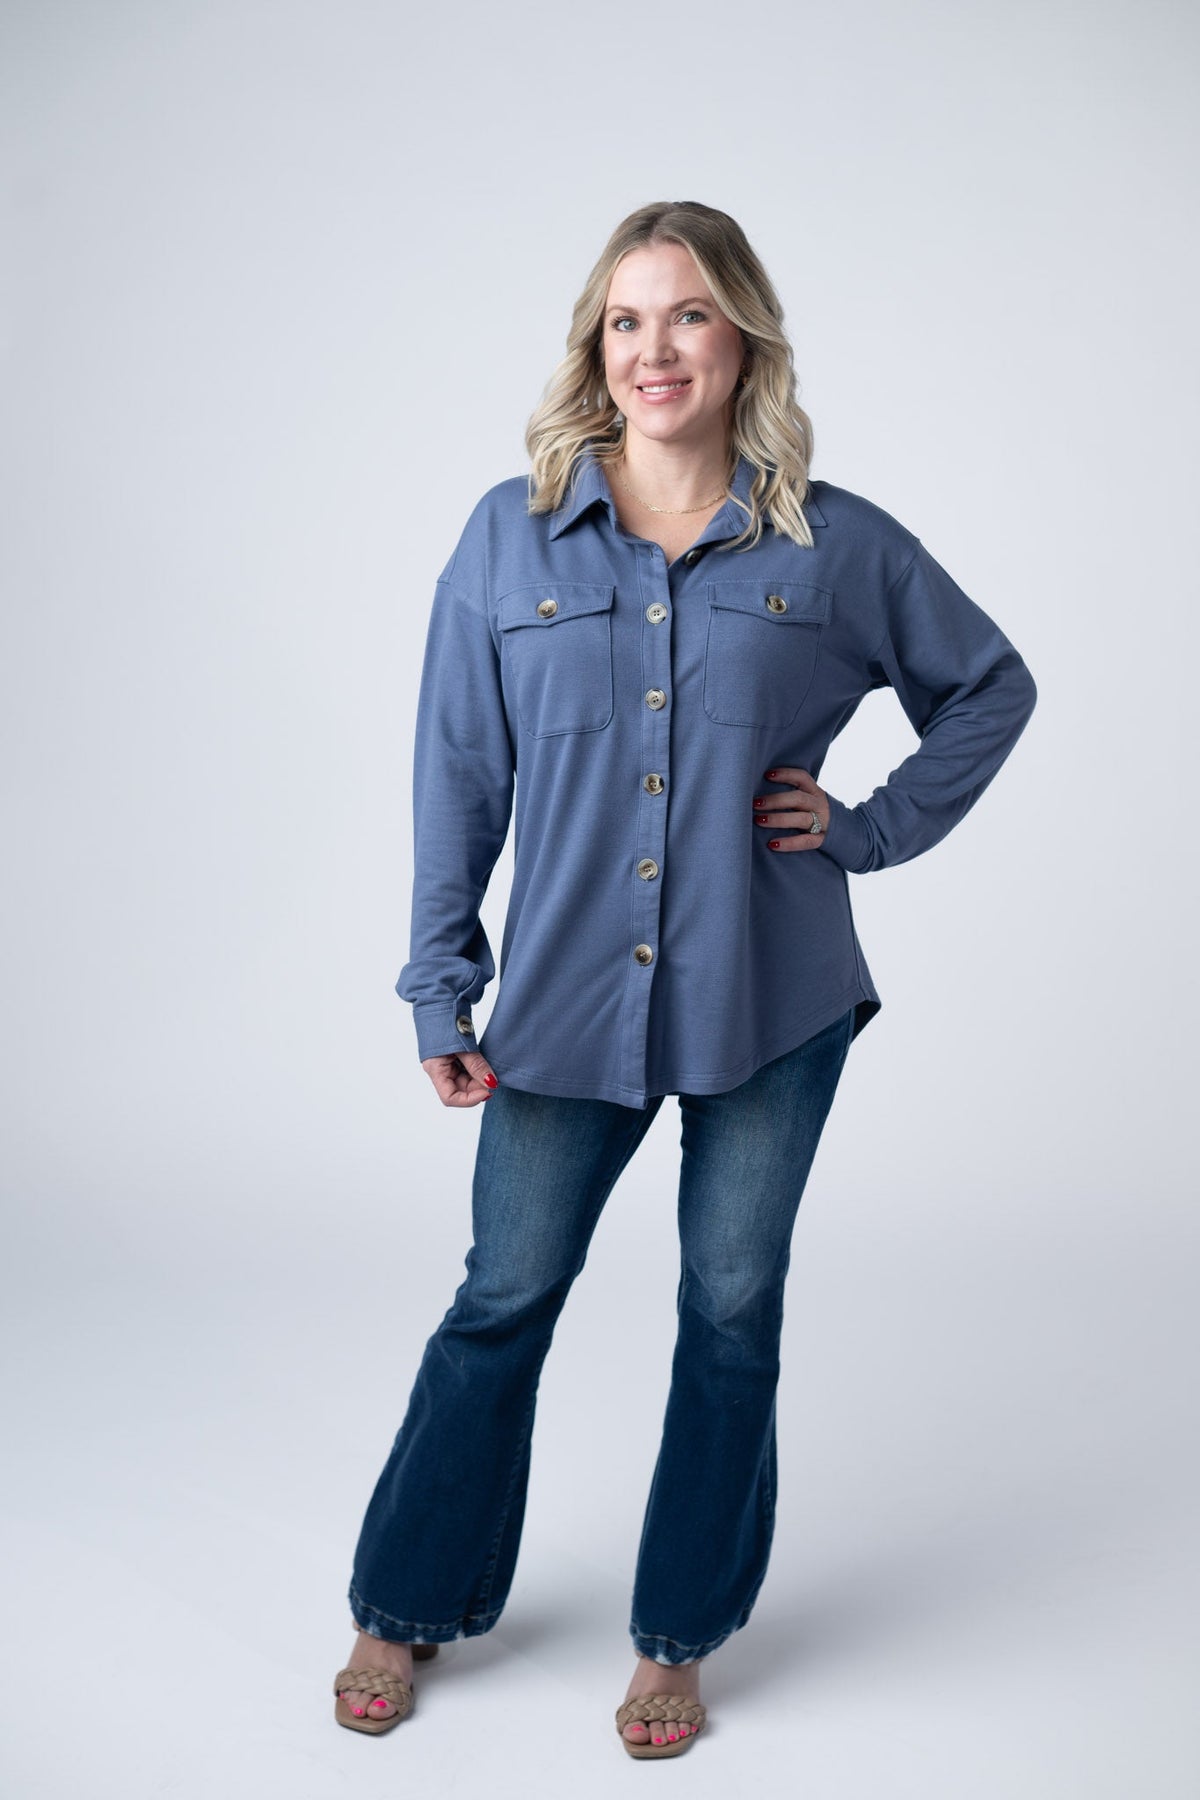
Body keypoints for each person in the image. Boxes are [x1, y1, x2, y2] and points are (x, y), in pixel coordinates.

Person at [332, 200, 1037, 1759]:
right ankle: (409, 1598)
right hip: (563, 1002)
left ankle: (679, 1638)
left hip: (771, 999)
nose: (657, 349)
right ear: (597, 348)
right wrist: (441, 987)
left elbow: (991, 684)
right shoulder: (507, 537)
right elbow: (458, 775)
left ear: (743, 341)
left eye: (691, 314)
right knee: (503, 1296)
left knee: (730, 1310)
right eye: (628, 319)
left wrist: (868, 828)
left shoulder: (834, 545)